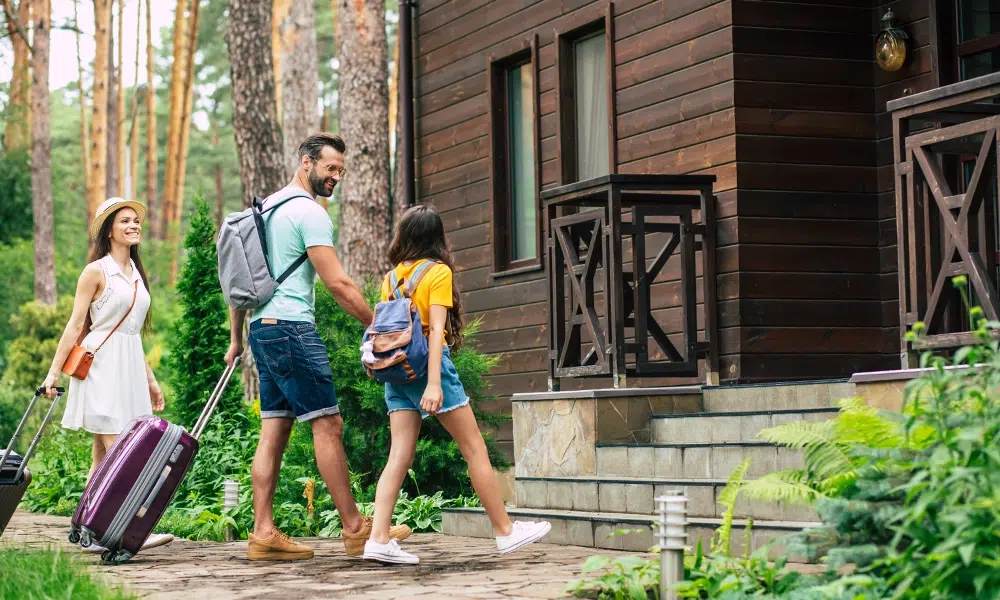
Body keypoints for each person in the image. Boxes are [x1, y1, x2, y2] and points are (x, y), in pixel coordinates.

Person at [224, 133, 411, 561]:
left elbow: (240, 283)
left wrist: (238, 337)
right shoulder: (308, 212)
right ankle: (355, 530)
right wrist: (378, 326)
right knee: (328, 425)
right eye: (330, 168)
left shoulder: (264, 208)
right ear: (306, 163)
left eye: (341, 171)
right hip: (290, 329)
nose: (336, 177)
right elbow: (339, 283)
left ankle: (263, 531)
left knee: (274, 429)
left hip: (263, 329)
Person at [362, 204, 551, 565]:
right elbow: (434, 335)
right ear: (437, 237)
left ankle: (379, 538)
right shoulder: (438, 272)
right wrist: (434, 383)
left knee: (399, 454)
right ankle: (505, 531)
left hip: (397, 370)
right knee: (474, 447)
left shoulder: (391, 277)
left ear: (404, 235)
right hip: (427, 369)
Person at [41, 197, 174, 552]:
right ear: (109, 230)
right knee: (124, 455)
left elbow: (131, 331)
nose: (134, 226)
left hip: (129, 368)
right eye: (125, 221)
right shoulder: (95, 272)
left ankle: (88, 530)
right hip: (99, 368)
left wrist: (150, 379)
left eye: (136, 221)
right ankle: (126, 531)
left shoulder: (135, 274)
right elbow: (76, 325)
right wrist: (53, 374)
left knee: (103, 458)